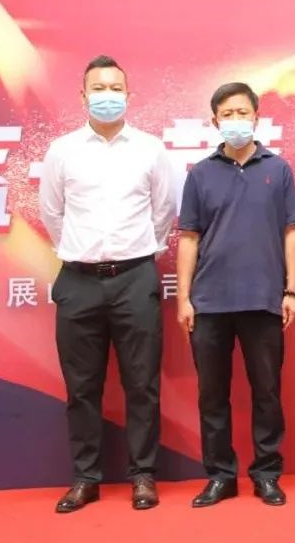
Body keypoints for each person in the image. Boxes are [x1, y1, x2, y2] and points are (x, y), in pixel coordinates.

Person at [39, 55, 175, 513]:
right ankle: (86, 478)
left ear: (129, 95)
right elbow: (52, 212)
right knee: (82, 387)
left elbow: (164, 210)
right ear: (83, 96)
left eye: (116, 88)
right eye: (98, 88)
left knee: (142, 383)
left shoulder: (150, 149)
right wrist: (80, 251)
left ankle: (143, 475)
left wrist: (141, 251)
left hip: (135, 277)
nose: (108, 96)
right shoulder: (62, 150)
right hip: (78, 280)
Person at [176, 82, 295, 507]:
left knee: (267, 392)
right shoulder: (200, 173)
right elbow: (189, 237)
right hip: (209, 302)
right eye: (227, 114)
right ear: (215, 121)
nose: (236, 120)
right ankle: (220, 476)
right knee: (212, 395)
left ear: (256, 117)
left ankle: (266, 473)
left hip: (264, 299)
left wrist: (292, 289)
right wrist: (184, 298)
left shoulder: (278, 169)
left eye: (242, 112)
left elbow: (291, 231)